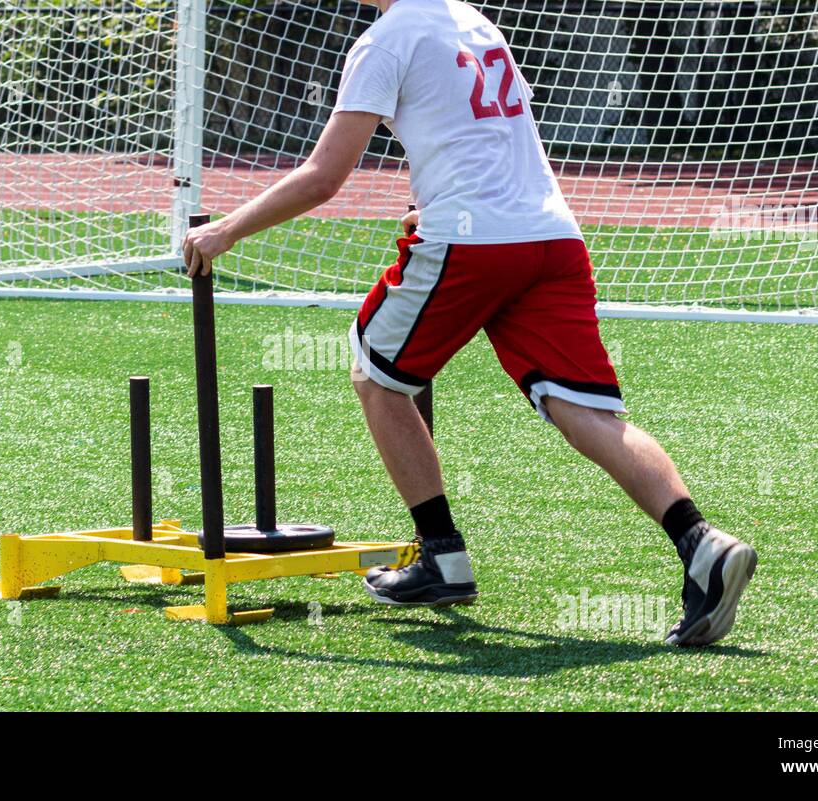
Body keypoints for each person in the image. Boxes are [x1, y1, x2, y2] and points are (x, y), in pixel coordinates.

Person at [181, 0, 756, 646]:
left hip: (472, 240)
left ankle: (442, 554)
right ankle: (701, 542)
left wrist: (226, 230)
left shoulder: (384, 39)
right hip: (551, 237)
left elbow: (324, 177)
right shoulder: (476, 21)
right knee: (586, 412)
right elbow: (481, 134)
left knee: (375, 370)